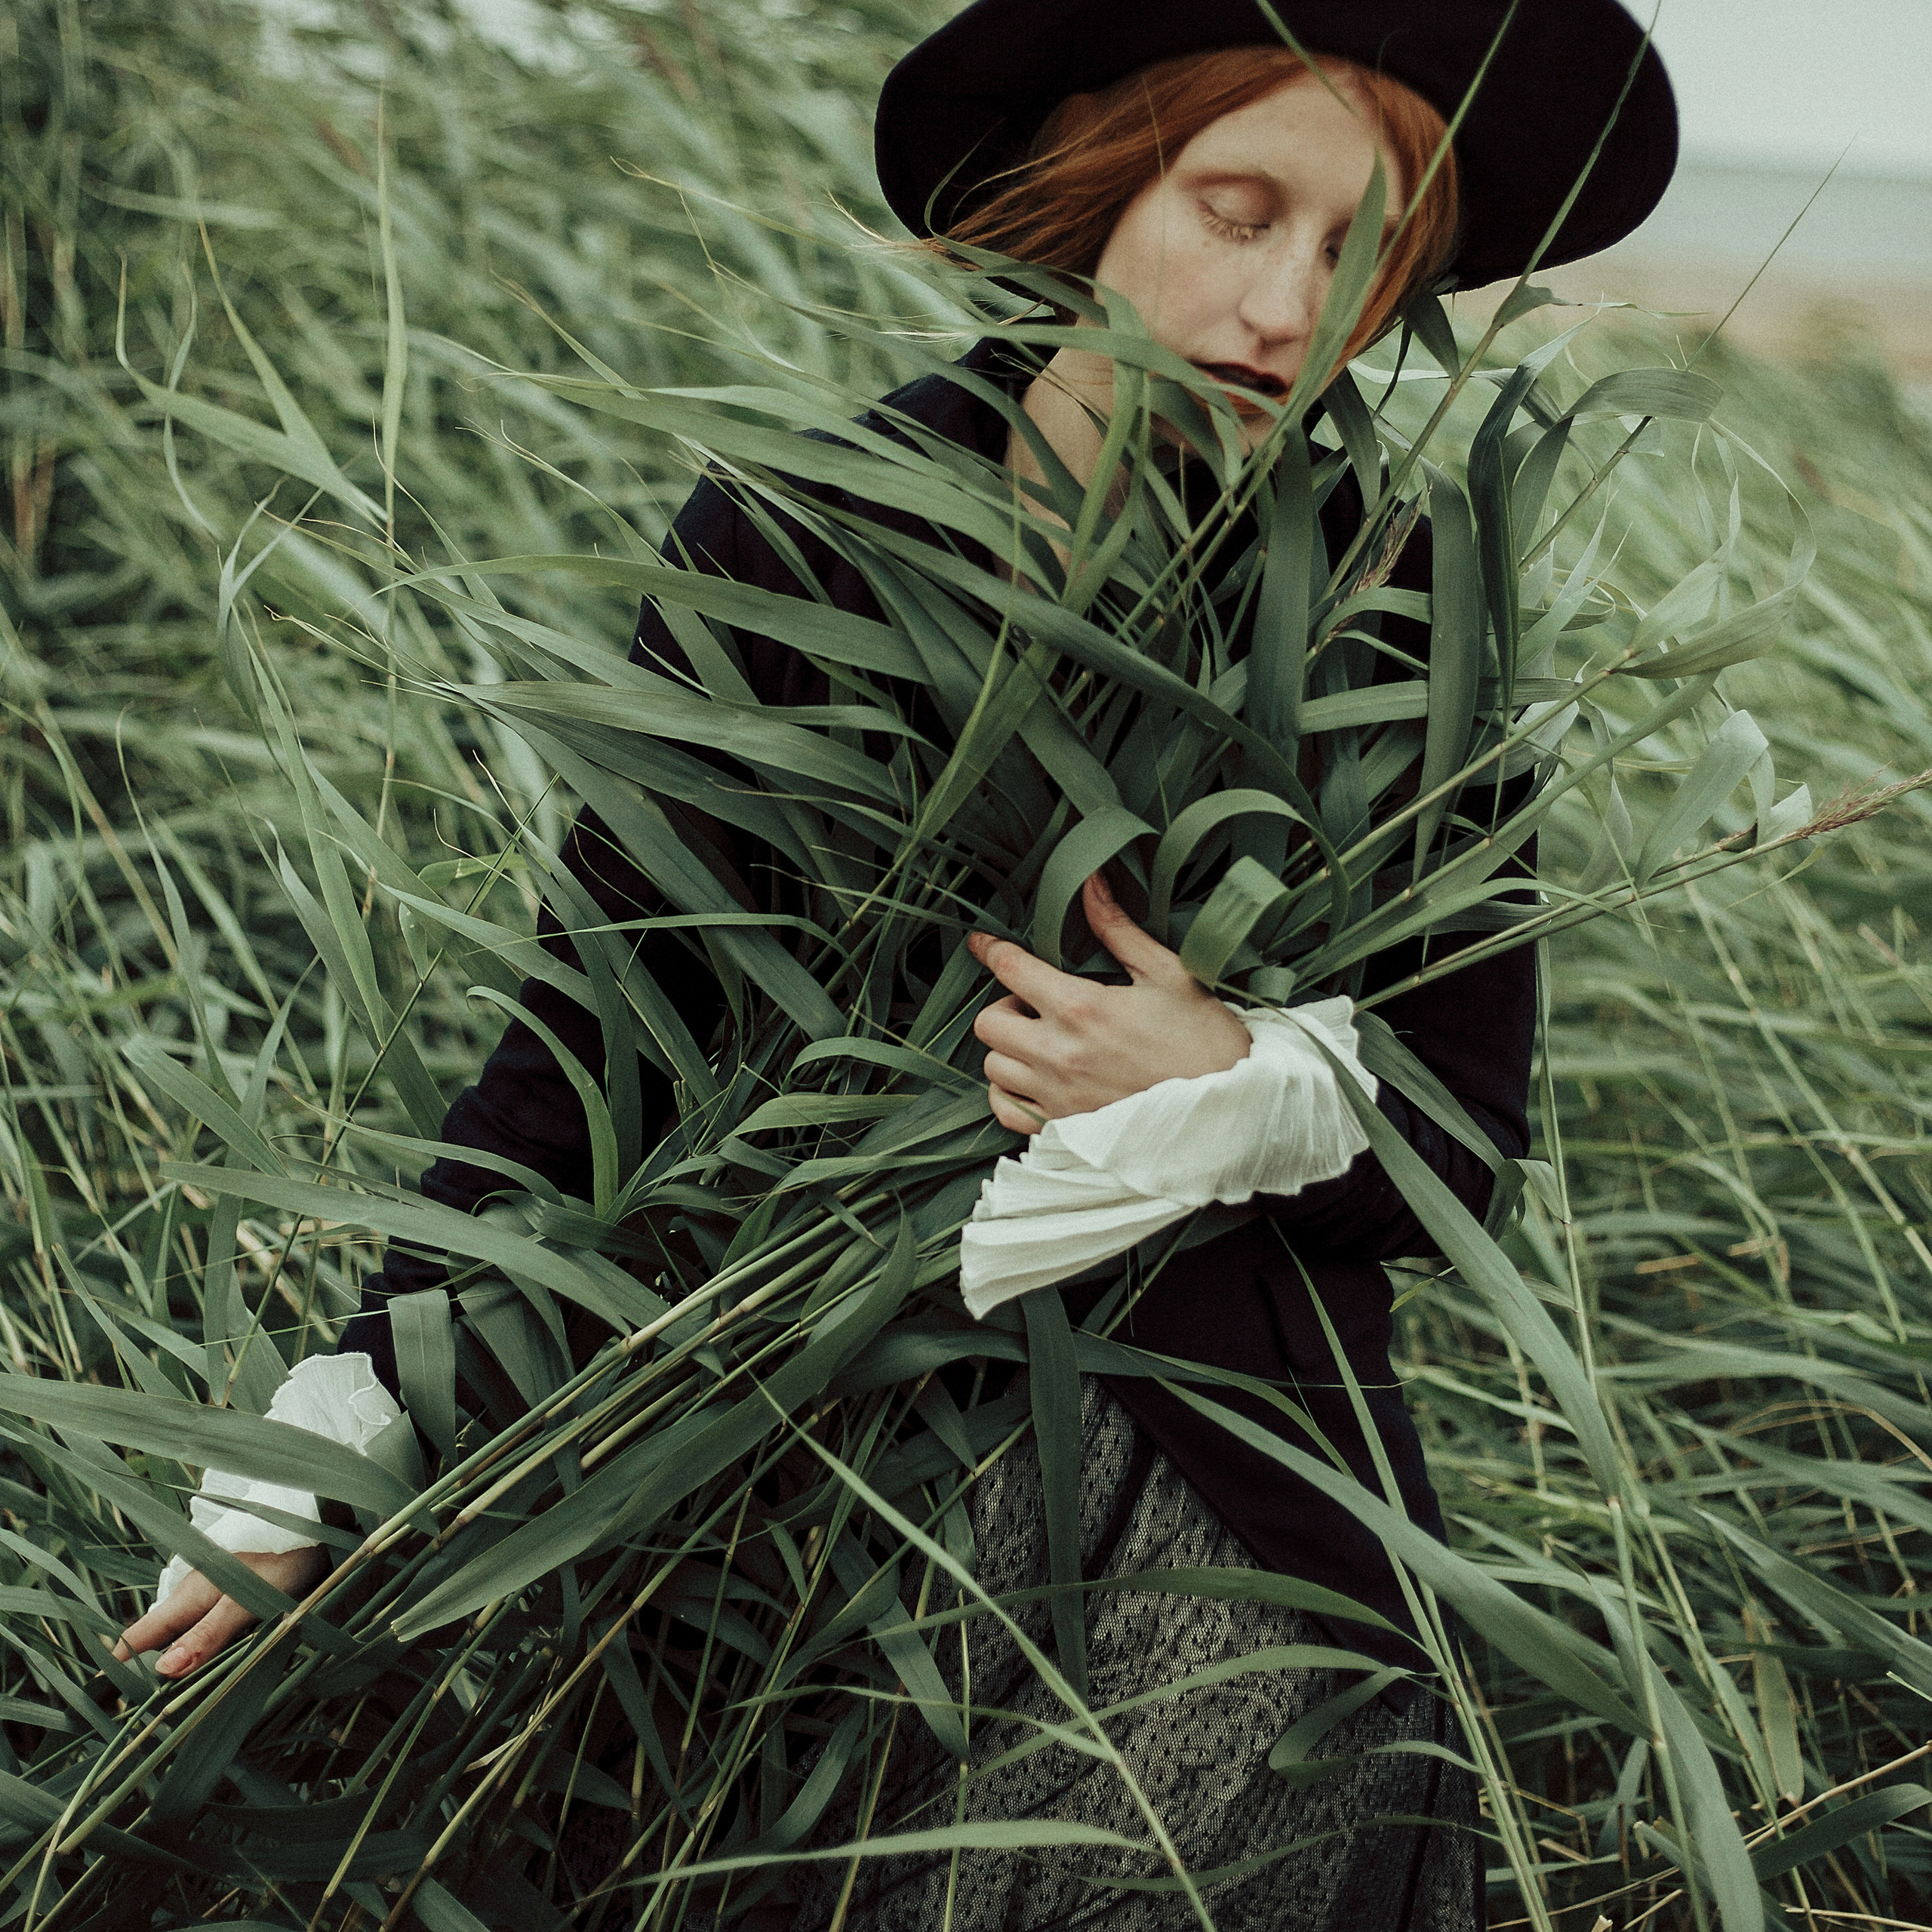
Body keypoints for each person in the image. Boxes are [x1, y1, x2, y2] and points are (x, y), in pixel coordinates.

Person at [115, 2, 1677, 1924]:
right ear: (1108, 178)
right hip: (765, 1474)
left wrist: (1243, 1076)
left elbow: (1459, 1144)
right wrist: (351, 1408)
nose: (1284, 305)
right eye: (1235, 207)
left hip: (1221, 1507)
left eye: (1363, 255)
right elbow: (602, 1025)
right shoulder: (806, 528)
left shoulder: (1403, 604)